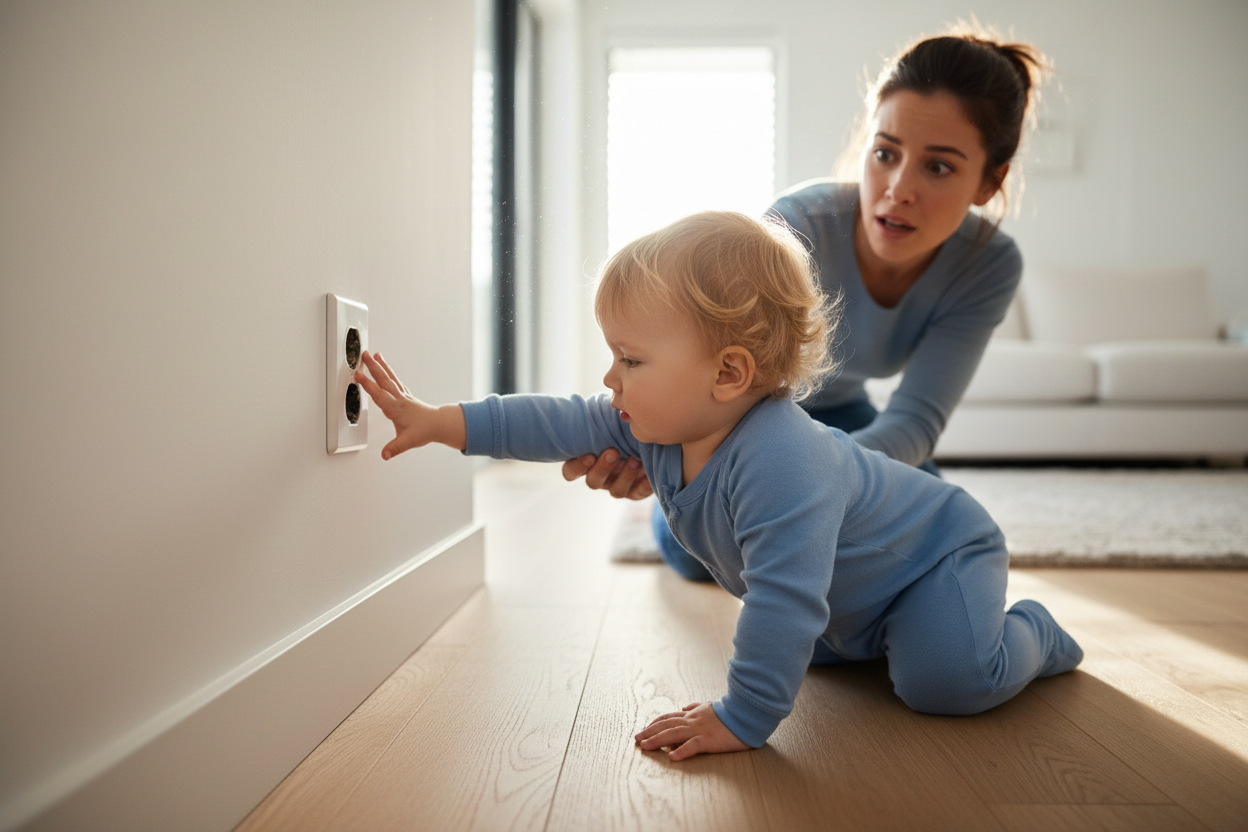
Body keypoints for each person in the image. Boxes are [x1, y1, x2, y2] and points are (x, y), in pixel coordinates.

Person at [354, 210, 1083, 761]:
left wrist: (742, 716)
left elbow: (784, 597)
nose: (610, 380)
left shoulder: (784, 461)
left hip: (937, 555)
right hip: (851, 600)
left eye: (630, 360)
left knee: (943, 686)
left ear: (728, 374)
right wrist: (441, 422)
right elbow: (553, 420)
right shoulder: (654, 424)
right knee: (816, 648)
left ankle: (1033, 636)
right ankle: (883, 640)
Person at [563, 29, 1048, 583]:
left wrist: (816, 482)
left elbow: (914, 421)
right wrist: (684, 454)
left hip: (843, 416)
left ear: (991, 181)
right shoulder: (796, 228)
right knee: (702, 553)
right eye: (885, 153)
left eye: (937, 167)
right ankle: (672, 500)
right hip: (749, 412)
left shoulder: (988, 265)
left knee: (926, 513)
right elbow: (720, 378)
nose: (897, 189)